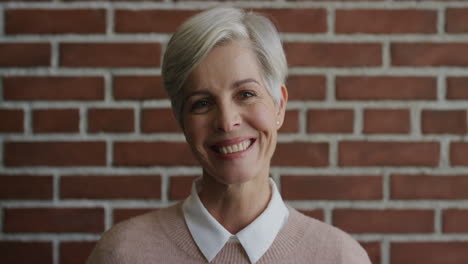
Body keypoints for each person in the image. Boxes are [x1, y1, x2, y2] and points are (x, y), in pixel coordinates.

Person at [87, 7, 371, 264]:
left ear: (279, 106)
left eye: (246, 94)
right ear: (181, 120)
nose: (226, 121)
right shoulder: (122, 254)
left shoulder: (340, 257)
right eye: (202, 103)